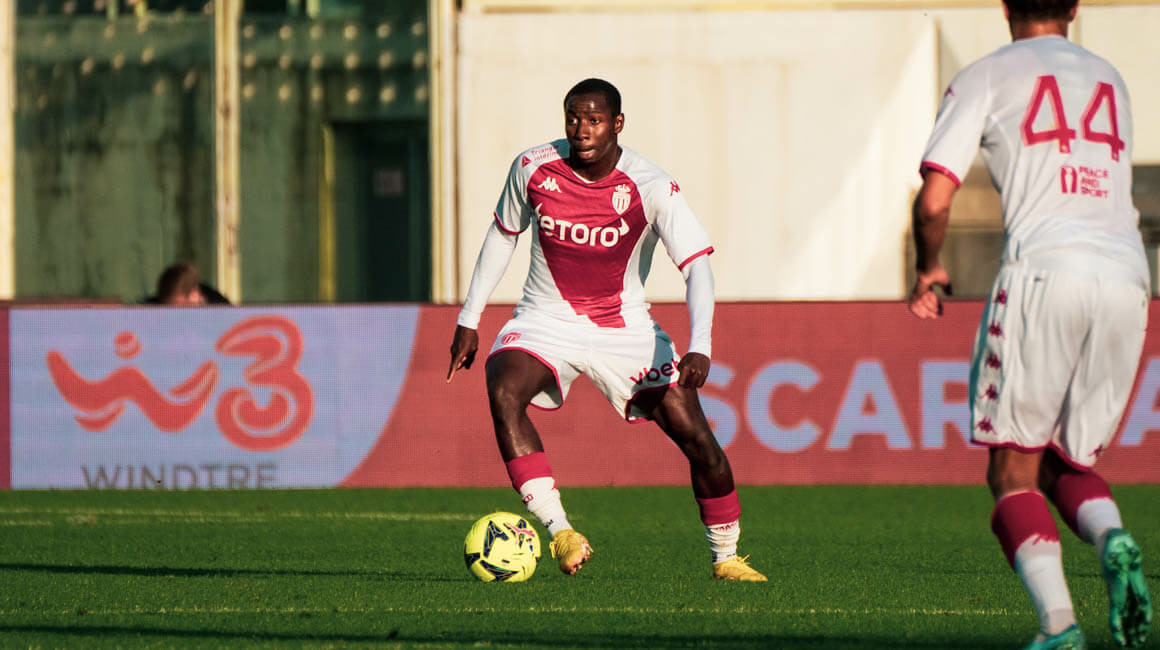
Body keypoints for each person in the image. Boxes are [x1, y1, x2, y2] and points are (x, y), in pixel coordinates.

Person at [447, 78, 765, 581]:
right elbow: (502, 236)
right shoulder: (532, 167)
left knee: (698, 441)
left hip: (626, 331)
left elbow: (697, 266)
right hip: (545, 320)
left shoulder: (651, 185)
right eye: (573, 118)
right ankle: (561, 532)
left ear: (617, 124)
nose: (582, 130)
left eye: (594, 120)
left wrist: (700, 345)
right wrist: (470, 319)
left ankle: (726, 557)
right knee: (504, 389)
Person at [908, 2, 1152, 647]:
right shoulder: (1109, 77)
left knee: (1011, 470)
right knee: (1064, 459)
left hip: (1045, 270)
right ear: (1074, 7)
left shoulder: (988, 73)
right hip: (1128, 277)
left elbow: (934, 200)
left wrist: (928, 266)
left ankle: (1060, 625)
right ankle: (1113, 536)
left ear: (1005, 5)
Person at [146, 262, 231, 305]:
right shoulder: (148, 311)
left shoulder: (223, 313)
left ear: (195, 295)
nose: (176, 316)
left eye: (182, 307)